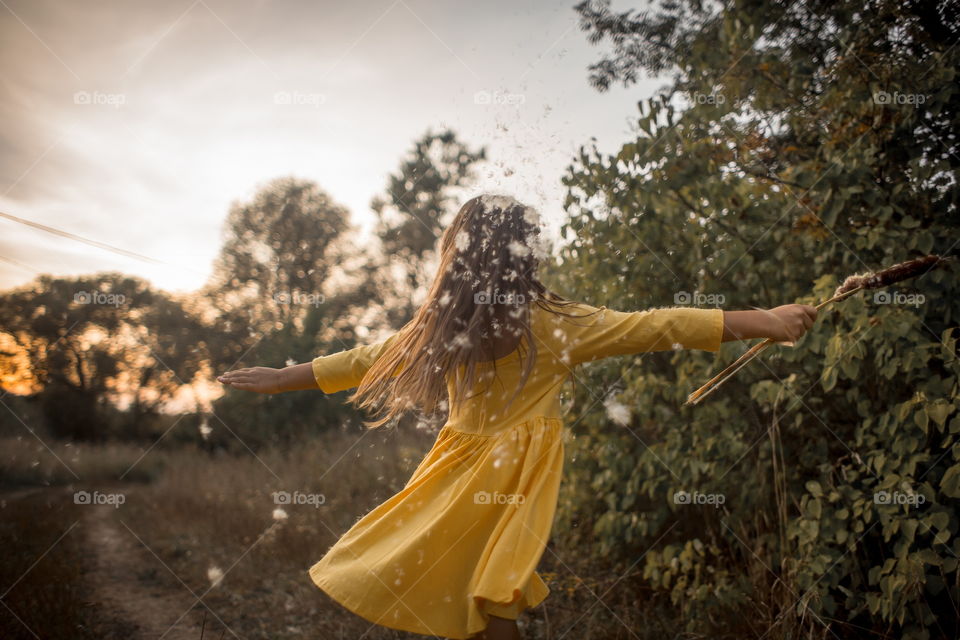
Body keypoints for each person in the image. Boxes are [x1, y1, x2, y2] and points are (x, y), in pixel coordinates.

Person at [217, 194, 817, 640]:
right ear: (526, 253)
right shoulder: (555, 321)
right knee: (496, 590)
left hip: (458, 465)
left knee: (478, 586)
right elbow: (660, 324)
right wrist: (765, 318)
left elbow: (363, 361)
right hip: (518, 471)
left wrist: (281, 377)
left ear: (458, 253)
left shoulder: (440, 327)